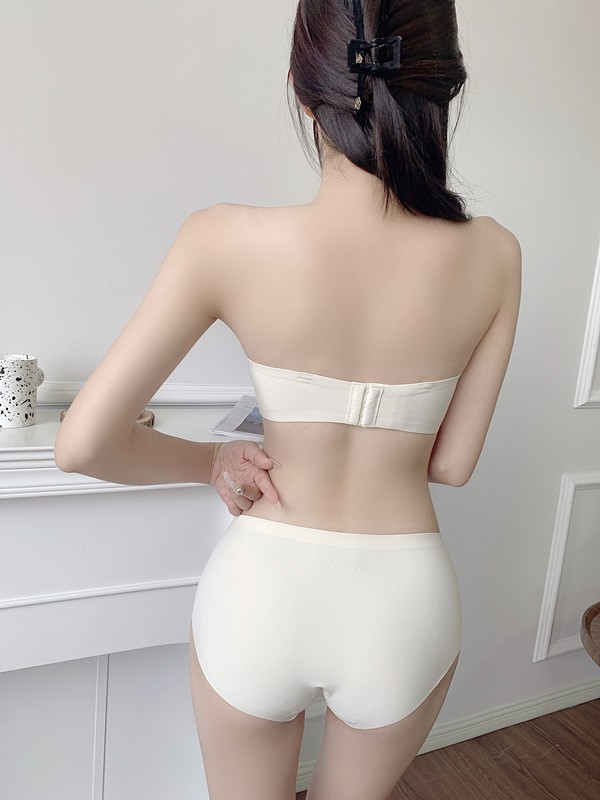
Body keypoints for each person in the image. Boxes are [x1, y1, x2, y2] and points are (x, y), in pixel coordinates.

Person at [55, 1, 521, 798]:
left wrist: (212, 463)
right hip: (403, 607)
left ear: (306, 91)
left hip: (260, 595)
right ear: (442, 85)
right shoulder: (496, 255)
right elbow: (452, 464)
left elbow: (83, 444)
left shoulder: (221, 240)